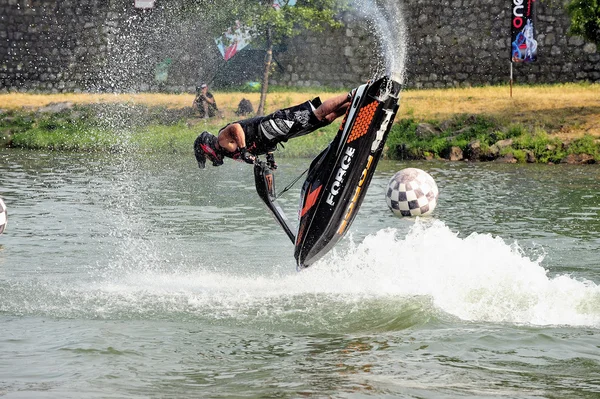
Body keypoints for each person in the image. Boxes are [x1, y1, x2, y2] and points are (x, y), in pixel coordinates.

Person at [194, 90, 353, 170]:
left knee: (316, 115)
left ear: (206, 149)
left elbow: (236, 128)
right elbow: (257, 145)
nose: (210, 160)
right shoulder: (228, 153)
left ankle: (351, 95)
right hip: (275, 134)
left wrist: (243, 150)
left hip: (272, 124)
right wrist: (269, 157)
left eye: (206, 157)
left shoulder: (222, 140)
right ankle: (353, 106)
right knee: (323, 121)